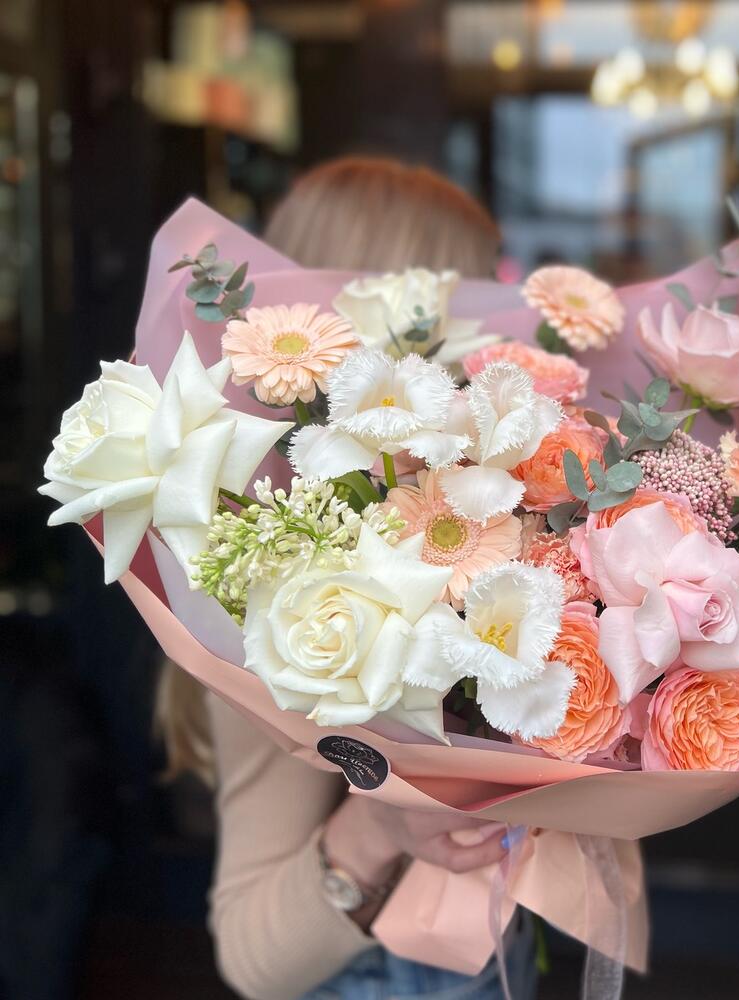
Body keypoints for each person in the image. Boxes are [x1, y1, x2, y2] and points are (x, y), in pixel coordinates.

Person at [158, 158, 537, 1000]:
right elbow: (252, 960)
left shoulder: (479, 520)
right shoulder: (282, 583)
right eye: (478, 303)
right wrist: (380, 821)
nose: (498, 342)